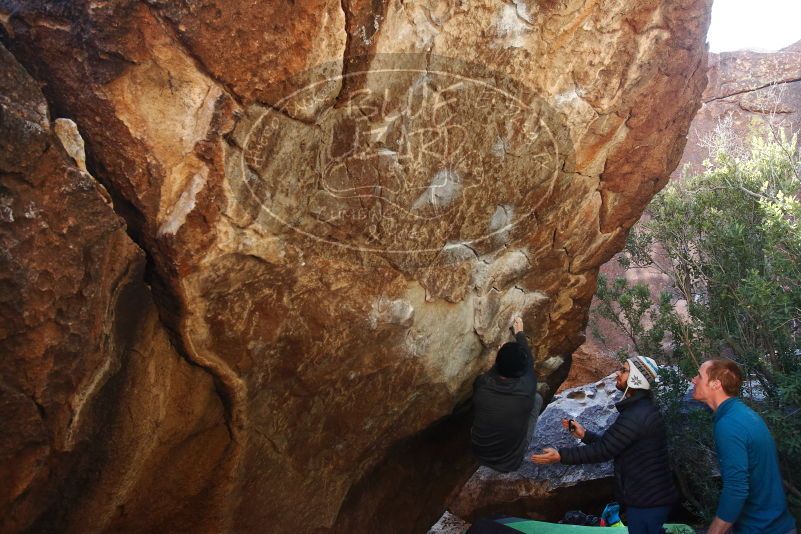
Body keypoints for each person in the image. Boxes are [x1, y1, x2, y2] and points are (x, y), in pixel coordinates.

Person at [531, 356, 678, 534]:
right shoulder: (639, 410)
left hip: (647, 500)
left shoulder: (636, 416)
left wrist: (560, 456)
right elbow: (614, 444)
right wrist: (584, 435)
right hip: (649, 498)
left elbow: (604, 451)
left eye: (624, 370)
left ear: (636, 378)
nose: (618, 373)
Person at [691, 359, 796, 534]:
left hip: (762, 529)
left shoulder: (729, 424)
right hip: (776, 525)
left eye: (699, 376)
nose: (694, 380)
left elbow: (736, 490)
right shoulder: (741, 414)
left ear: (716, 384)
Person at [471, 316, 542, 472]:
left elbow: (495, 371)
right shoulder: (527, 387)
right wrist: (520, 333)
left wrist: (502, 355)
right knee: (537, 400)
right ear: (520, 372)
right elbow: (529, 362)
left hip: (478, 451)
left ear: (497, 364)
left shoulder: (482, 383)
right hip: (510, 462)